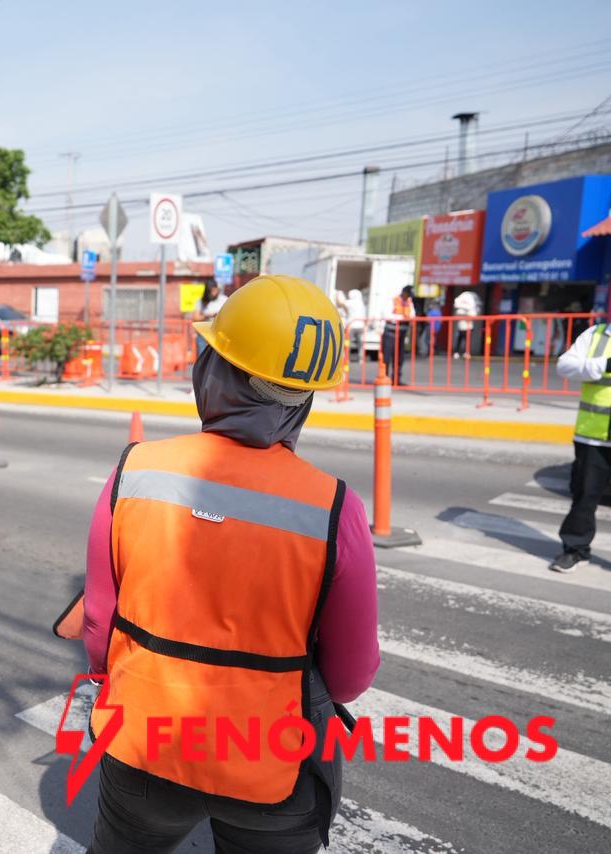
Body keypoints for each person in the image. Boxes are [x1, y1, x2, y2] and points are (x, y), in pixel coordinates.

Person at [82, 275, 379, 854]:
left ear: (211, 371)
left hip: (143, 743)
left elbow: (99, 626)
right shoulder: (334, 507)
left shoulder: (134, 471)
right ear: (303, 400)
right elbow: (349, 677)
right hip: (272, 766)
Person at [550, 318, 611, 572]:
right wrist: (602, 365)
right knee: (585, 493)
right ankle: (575, 549)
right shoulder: (596, 335)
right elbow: (565, 366)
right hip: (594, 432)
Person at [381, 286, 415, 384]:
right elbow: (386, 315)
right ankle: (385, 378)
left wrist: (406, 318)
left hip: (402, 333)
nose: (408, 297)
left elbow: (412, 315)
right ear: (403, 292)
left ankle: (396, 379)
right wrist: (402, 317)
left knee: (399, 358)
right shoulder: (393, 301)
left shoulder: (409, 302)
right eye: (407, 295)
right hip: (390, 332)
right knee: (386, 357)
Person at [192, 283, 227, 355]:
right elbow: (195, 317)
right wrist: (207, 315)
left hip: (218, 335)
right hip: (204, 334)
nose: (214, 293)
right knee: (202, 355)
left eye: (215, 290)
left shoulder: (224, 299)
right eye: (212, 291)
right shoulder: (201, 301)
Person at [452, 288, 482, 359]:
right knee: (460, 339)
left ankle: (466, 352)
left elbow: (474, 314)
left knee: (467, 340)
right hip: (462, 326)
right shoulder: (460, 305)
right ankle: (457, 352)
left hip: (469, 326)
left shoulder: (472, 306)